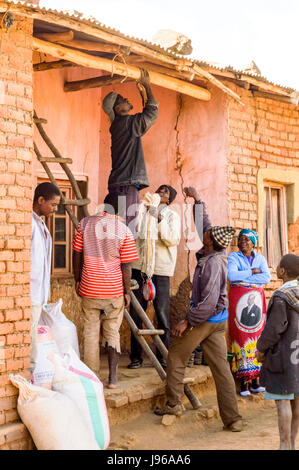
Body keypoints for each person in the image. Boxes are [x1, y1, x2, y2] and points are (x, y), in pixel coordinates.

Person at [155, 188, 243, 432]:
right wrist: (198, 200)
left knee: (176, 355)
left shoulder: (214, 264)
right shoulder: (217, 251)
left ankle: (173, 403)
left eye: (207, 235)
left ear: (210, 242)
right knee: (221, 370)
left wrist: (188, 321)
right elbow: (206, 223)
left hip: (207, 319)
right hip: (218, 320)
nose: (204, 233)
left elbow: (207, 302)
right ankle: (233, 419)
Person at [72, 193, 139, 388]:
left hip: (89, 288)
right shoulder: (124, 230)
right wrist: (126, 292)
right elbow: (126, 266)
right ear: (117, 210)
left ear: (102, 206)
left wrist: (78, 279)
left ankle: (92, 378)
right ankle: (112, 378)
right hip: (113, 291)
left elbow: (77, 254)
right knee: (112, 333)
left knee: (91, 333)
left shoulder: (84, 224)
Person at [127, 184, 181, 370]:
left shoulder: (172, 216)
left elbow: (172, 239)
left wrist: (158, 219)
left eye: (166, 191)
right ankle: (136, 357)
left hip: (160, 270)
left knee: (162, 314)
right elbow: (134, 235)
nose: (161, 192)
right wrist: (145, 214)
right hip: (139, 267)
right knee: (136, 313)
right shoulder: (141, 210)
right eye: (160, 189)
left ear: (169, 199)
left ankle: (162, 356)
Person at [102, 69, 159, 232]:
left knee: (121, 229)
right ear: (117, 108)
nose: (126, 98)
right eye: (121, 99)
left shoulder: (120, 125)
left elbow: (145, 116)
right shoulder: (126, 123)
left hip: (121, 184)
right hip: (125, 186)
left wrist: (144, 96)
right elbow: (151, 113)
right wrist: (147, 86)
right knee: (126, 232)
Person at [256, 254, 299, 450]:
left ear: (282, 272)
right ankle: (291, 443)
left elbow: (274, 329)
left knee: (283, 401)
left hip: (282, 358)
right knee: (296, 402)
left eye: (278, 266)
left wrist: (260, 349)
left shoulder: (281, 296)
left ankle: (284, 445)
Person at [227, 229, 271, 396]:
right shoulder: (233, 257)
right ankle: (243, 384)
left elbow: (266, 278)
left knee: (256, 339)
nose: (243, 242)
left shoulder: (260, 258)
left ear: (254, 242)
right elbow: (232, 276)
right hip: (239, 303)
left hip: (257, 302)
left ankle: (255, 382)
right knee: (240, 338)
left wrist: (243, 278)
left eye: (246, 239)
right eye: (240, 239)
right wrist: (253, 272)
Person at [30, 182, 61, 373]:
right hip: (31, 292)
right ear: (40, 200)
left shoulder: (40, 223)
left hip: (38, 294)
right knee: (30, 339)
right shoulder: (29, 224)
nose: (55, 209)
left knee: (34, 338)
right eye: (53, 204)